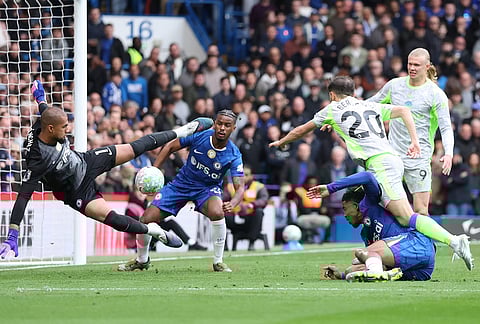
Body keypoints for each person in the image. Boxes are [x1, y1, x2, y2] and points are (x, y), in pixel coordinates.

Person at [269, 75, 473, 270]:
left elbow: (301, 130)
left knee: (405, 216)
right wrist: (414, 140)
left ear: (332, 95)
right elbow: (403, 111)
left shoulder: (331, 110)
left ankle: (454, 241)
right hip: (390, 159)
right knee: (391, 211)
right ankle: (387, 255)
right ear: (353, 92)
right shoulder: (367, 105)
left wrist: (282, 142)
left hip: (380, 164)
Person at [0, 80, 214, 260]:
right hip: (75, 191)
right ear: (50, 129)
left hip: (84, 161)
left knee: (134, 147)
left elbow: (44, 108)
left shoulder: (46, 123)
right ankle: (154, 231)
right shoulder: (37, 159)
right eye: (64, 128)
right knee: (112, 219)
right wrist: (13, 234)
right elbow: (23, 197)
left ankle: (185, 130)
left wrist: (39, 95)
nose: (68, 130)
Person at [118, 110, 245, 272]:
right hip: (181, 184)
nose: (221, 128)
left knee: (217, 212)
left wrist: (233, 202)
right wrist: (155, 171)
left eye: (227, 125)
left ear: (233, 128)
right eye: (219, 123)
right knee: (145, 219)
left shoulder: (234, 155)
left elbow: (240, 187)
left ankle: (218, 261)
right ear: (214, 124)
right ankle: (141, 260)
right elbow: (171, 145)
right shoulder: (201, 136)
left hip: (207, 189)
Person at [366, 48, 454, 217]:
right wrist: (342, 114)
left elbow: (445, 127)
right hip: (393, 155)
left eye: (417, 65)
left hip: (419, 157)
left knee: (421, 209)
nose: (412, 68)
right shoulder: (394, 85)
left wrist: (448, 153)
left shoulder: (436, 94)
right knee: (385, 204)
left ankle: (424, 244)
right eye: (410, 64)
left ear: (427, 66)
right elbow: (370, 104)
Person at [311, 171, 436, 282]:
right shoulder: (366, 234)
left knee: (365, 253)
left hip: (418, 244)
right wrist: (342, 275)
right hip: (416, 271)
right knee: (351, 269)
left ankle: (376, 272)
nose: (344, 214)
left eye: (345, 208)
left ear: (356, 206)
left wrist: (331, 188)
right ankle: (383, 273)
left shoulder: (371, 204)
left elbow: (367, 176)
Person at [224, 165, 269, 251]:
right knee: (222, 214)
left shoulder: (259, 186)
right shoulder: (230, 187)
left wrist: (252, 204)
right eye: (240, 174)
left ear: (252, 176)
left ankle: (252, 242)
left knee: (259, 212)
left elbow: (264, 199)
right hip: (235, 217)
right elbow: (222, 198)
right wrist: (229, 205)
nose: (242, 177)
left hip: (250, 217)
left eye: (246, 174)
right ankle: (224, 245)